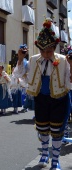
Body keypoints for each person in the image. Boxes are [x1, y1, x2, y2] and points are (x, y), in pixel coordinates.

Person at [14, 18, 72, 170]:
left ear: (54, 47)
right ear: (39, 49)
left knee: (57, 131)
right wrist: (20, 59)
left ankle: (55, 160)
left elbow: (69, 81)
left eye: (49, 51)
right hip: (41, 99)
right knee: (43, 129)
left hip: (60, 99)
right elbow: (19, 74)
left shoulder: (64, 60)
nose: (46, 54)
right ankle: (45, 153)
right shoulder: (33, 60)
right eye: (43, 51)